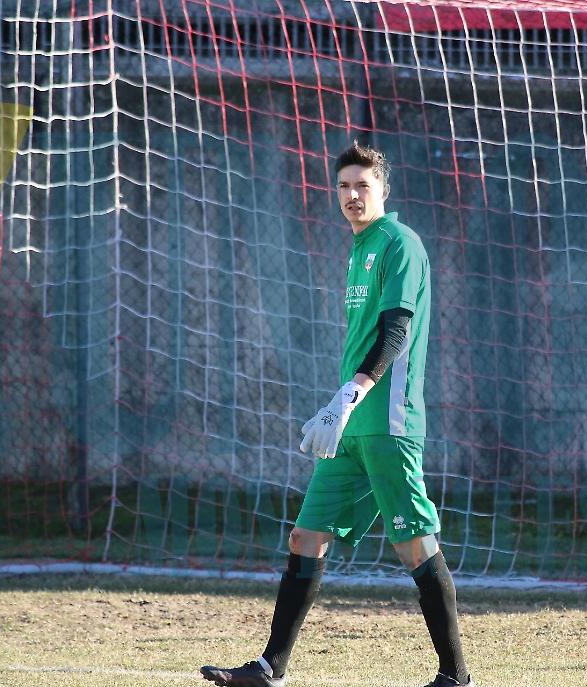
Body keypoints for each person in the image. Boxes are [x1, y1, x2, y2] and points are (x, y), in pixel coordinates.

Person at [200, 142, 473, 687]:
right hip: (348, 425)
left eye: (362, 185)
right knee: (306, 537)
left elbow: (396, 332)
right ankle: (270, 669)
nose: (352, 195)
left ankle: (455, 677)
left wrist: (351, 394)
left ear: (383, 190)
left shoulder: (399, 243)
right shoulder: (359, 247)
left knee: (415, 544)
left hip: (387, 421)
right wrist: (341, 406)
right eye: (344, 185)